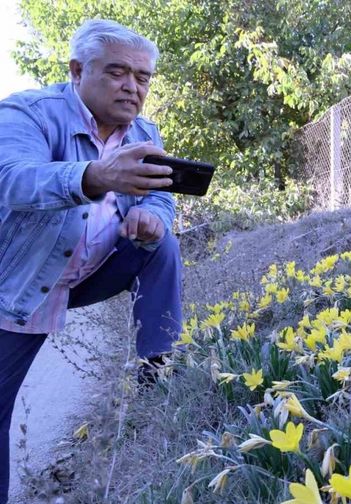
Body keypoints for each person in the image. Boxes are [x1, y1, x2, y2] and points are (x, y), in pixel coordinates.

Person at [0, 19, 183, 503]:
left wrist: (151, 214)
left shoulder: (144, 132)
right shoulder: (28, 112)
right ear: (78, 70)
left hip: (91, 272)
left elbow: (163, 198)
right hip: (20, 287)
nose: (132, 87)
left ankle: (157, 372)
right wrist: (94, 176)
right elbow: (13, 181)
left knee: (162, 245)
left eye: (143, 78)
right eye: (118, 72)